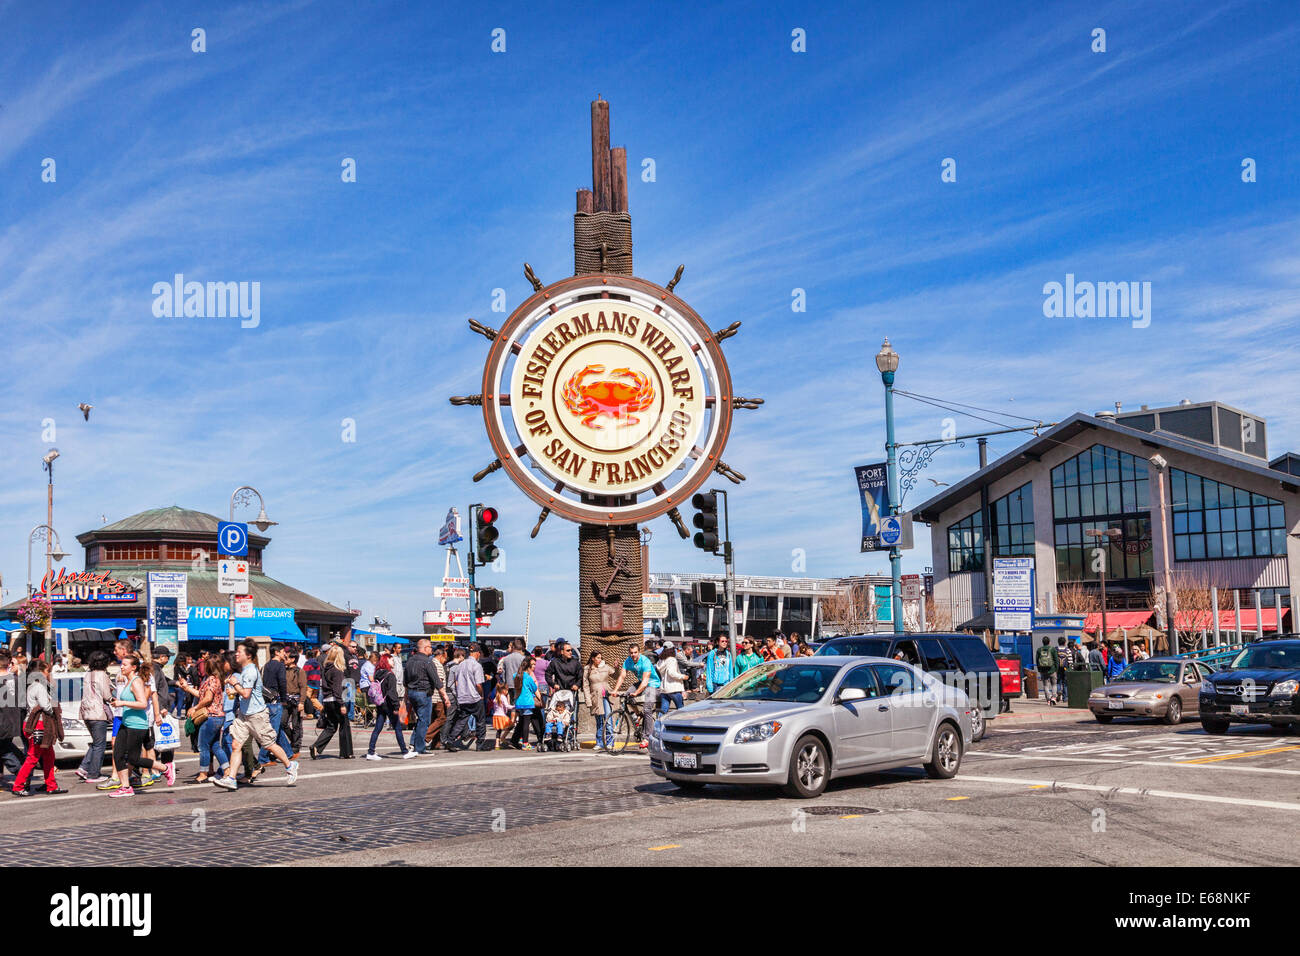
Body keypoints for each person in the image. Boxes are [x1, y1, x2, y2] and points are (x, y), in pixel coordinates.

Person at [212, 640, 299, 790]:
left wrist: (234, 684)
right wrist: (235, 690)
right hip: (244, 715)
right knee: (236, 744)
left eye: (240, 652)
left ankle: (290, 765)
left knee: (269, 745)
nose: (237, 654)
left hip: (257, 715)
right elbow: (245, 692)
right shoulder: (245, 670)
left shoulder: (251, 671)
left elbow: (246, 694)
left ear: (249, 655)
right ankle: (231, 778)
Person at [103, 653, 175, 798]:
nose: (121, 667)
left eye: (124, 665)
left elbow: (142, 704)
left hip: (138, 725)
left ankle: (165, 768)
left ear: (133, 667)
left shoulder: (136, 681)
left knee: (133, 759)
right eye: (121, 664)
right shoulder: (128, 681)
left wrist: (122, 703)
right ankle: (125, 787)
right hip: (126, 722)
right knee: (117, 754)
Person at [12, 658, 67, 796]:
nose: (49, 674)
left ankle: (51, 785)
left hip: (37, 724)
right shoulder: (39, 686)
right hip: (39, 724)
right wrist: (53, 707)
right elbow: (46, 706)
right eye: (48, 671)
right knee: (33, 757)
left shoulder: (33, 685)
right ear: (42, 672)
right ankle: (18, 786)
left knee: (49, 756)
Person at [175, 651, 227, 783]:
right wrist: (187, 688)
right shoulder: (217, 679)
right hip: (219, 716)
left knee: (203, 745)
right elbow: (201, 695)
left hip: (210, 716)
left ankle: (203, 773)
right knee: (215, 745)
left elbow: (207, 699)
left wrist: (195, 708)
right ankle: (227, 771)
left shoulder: (210, 680)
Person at [74, 650, 115, 784]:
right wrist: (113, 697)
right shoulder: (102, 675)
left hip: (86, 712)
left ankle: (84, 767)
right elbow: (106, 695)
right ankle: (93, 774)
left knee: (96, 743)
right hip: (97, 713)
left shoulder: (88, 674)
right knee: (100, 746)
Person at [611, 642, 659, 748]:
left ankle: (647, 738)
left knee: (647, 709)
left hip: (652, 684)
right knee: (626, 696)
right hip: (641, 683)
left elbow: (646, 681)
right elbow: (622, 676)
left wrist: (636, 693)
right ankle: (638, 714)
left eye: (635, 652)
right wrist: (615, 690)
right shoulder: (628, 661)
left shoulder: (645, 661)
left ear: (639, 652)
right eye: (631, 653)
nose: (633, 655)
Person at [366, 654, 413, 759]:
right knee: (397, 727)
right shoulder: (390, 675)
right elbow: (392, 693)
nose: (393, 662)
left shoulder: (377, 673)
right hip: (389, 705)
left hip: (380, 703)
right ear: (386, 661)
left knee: (378, 727)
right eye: (391, 660)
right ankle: (405, 752)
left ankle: (371, 751)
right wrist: (396, 707)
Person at [310, 644, 353, 759]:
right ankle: (346, 752)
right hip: (336, 700)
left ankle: (316, 746)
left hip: (327, 700)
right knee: (344, 725)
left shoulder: (326, 668)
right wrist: (342, 704)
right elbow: (337, 689)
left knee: (331, 726)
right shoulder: (337, 670)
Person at [446, 643, 491, 752]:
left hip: (463, 697)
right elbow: (478, 684)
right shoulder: (477, 666)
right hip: (474, 697)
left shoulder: (461, 665)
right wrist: (481, 695)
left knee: (462, 719)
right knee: (480, 720)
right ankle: (480, 743)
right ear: (477, 653)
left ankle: (450, 740)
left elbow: (456, 682)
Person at [257, 643, 293, 767]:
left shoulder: (266, 665)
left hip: (266, 700)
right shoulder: (280, 666)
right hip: (276, 700)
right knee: (273, 731)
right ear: (277, 652)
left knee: (277, 728)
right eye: (283, 651)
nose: (285, 654)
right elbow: (282, 683)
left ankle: (288, 752)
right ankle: (263, 758)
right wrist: (284, 699)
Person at [405, 638, 443, 755]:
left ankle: (413, 743)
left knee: (420, 719)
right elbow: (436, 680)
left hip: (412, 692)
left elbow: (405, 679)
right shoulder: (427, 661)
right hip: (423, 693)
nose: (432, 649)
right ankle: (420, 748)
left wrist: (407, 695)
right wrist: (445, 697)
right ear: (426, 648)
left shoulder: (410, 660)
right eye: (431, 647)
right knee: (424, 720)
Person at [0, 651, 26, 785]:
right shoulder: (15, 680)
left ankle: (21, 773)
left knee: (5, 750)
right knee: (6, 746)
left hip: (2, 721)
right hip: (13, 720)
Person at [507, 654, 542, 750]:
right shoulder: (528, 678)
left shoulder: (516, 675)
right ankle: (525, 743)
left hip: (519, 702)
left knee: (521, 722)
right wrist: (541, 700)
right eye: (533, 665)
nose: (534, 667)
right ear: (528, 666)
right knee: (526, 723)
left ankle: (514, 740)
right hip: (527, 702)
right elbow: (535, 689)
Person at [584, 650, 615, 751]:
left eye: (600, 657)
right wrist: (588, 700)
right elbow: (585, 686)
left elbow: (616, 675)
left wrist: (617, 668)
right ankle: (600, 742)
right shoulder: (587, 669)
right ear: (593, 658)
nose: (599, 659)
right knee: (599, 721)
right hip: (595, 697)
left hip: (606, 696)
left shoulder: (605, 667)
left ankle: (610, 742)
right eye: (597, 658)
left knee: (608, 719)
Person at [284, 650, 307, 756]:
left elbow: (303, 687)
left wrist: (301, 702)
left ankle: (296, 745)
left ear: (293, 659)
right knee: (282, 723)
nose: (285, 660)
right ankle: (294, 739)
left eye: (286, 658)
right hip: (285, 700)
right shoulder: (284, 670)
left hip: (296, 700)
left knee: (296, 724)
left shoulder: (299, 671)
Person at [427, 645, 450, 749]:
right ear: (441, 656)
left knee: (434, 720)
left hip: (431, 696)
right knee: (441, 719)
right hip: (438, 697)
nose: (445, 661)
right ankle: (425, 737)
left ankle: (436, 743)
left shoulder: (430, 663)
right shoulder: (438, 666)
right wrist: (445, 697)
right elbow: (440, 682)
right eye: (445, 658)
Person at [656, 643, 686, 714]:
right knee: (681, 710)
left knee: (663, 710)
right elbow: (671, 673)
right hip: (674, 688)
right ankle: (680, 724)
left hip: (664, 689)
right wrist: (683, 676)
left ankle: (659, 724)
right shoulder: (672, 660)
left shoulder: (660, 661)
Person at [1035, 636, 1059, 704]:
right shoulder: (1052, 649)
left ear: (1042, 642)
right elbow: (1056, 660)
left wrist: (1039, 669)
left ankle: (1048, 699)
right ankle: (1054, 697)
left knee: (1046, 685)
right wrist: (1056, 669)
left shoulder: (1039, 650)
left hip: (1043, 670)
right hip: (1052, 669)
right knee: (1054, 684)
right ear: (1049, 642)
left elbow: (1037, 661)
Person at [490, 683, 513, 748]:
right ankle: (503, 737)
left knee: (499, 730)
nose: (508, 692)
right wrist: (514, 706)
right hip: (502, 716)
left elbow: (494, 707)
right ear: (504, 690)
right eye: (507, 690)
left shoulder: (497, 697)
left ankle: (497, 744)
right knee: (511, 725)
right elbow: (507, 706)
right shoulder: (503, 697)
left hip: (496, 716)